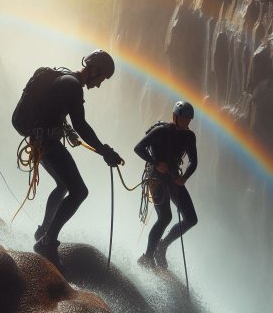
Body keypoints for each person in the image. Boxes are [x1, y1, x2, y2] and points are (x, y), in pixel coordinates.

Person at [29, 50, 124, 265]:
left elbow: (53, 111)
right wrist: (104, 151)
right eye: (101, 79)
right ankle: (47, 241)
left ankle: (43, 230)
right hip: (48, 143)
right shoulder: (72, 86)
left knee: (63, 186)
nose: (99, 85)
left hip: (40, 140)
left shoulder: (66, 78)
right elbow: (81, 124)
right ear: (94, 70)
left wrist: (66, 130)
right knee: (79, 191)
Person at [134, 101, 198, 269]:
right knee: (165, 217)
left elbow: (193, 162)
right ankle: (147, 257)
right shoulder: (160, 131)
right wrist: (155, 163)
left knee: (191, 219)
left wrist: (184, 177)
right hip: (156, 177)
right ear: (175, 117)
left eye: (189, 119)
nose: (187, 122)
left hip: (174, 178)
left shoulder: (189, 136)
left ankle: (162, 246)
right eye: (184, 119)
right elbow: (139, 148)